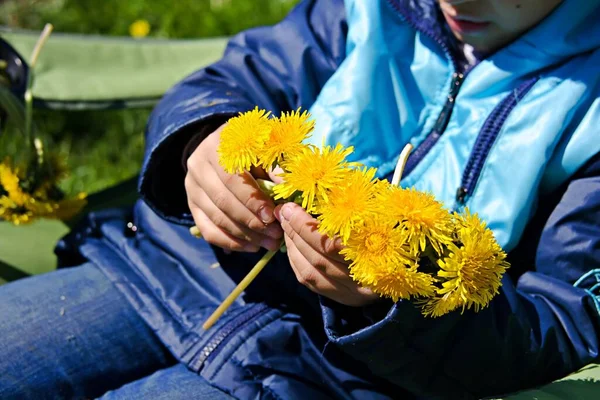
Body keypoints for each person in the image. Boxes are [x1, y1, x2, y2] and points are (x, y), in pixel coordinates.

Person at [1, 0, 599, 398]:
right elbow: (236, 80)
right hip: (161, 274)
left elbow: (563, 328)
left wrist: (389, 302)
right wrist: (202, 143)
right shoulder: (365, 12)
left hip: (319, 374)